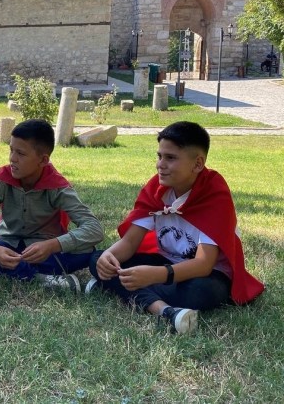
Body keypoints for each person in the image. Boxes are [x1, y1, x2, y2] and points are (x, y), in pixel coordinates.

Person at [88, 122, 264, 334]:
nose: (160, 164)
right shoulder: (156, 189)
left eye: (170, 158)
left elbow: (203, 265)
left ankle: (116, 287)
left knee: (199, 293)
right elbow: (129, 242)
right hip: (167, 262)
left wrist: (154, 275)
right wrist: (108, 257)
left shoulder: (215, 194)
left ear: (198, 164)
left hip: (208, 275)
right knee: (96, 259)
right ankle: (164, 310)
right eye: (159, 156)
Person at [0, 119, 104, 291]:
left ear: (43, 160)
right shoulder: (1, 180)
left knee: (88, 251)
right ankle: (41, 279)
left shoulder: (57, 186)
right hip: (7, 246)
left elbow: (94, 229)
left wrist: (52, 245)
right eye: (11, 150)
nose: (12, 158)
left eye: (20, 153)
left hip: (45, 252)